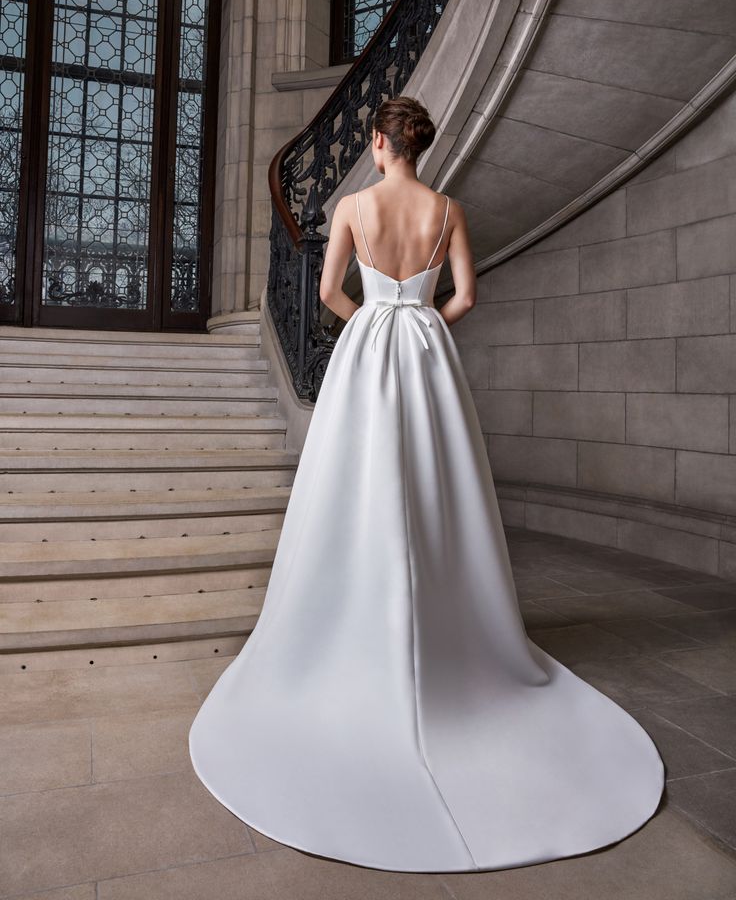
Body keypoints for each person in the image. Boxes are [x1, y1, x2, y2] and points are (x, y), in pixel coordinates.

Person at [189, 95, 665, 873]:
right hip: (428, 353)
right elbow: (466, 297)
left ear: (379, 142)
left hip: (370, 350)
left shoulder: (353, 206)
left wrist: (376, 319)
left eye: (375, 142)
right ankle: (450, 626)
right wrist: (423, 318)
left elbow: (327, 295)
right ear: (420, 145)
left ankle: (355, 615)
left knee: (358, 488)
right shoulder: (446, 209)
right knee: (438, 487)